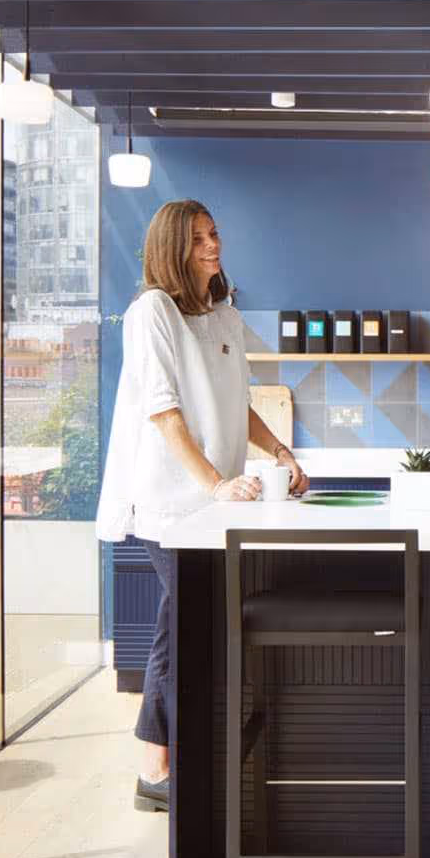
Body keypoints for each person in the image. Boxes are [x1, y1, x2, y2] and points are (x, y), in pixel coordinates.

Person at [97, 199, 305, 813]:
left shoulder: (224, 315)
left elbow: (239, 404)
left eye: (213, 234)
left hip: (214, 507)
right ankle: (159, 766)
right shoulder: (151, 313)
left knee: (183, 621)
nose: (212, 245)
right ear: (171, 249)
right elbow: (164, 413)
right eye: (196, 239)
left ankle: (163, 762)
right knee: (187, 620)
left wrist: (280, 452)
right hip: (170, 503)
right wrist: (216, 484)